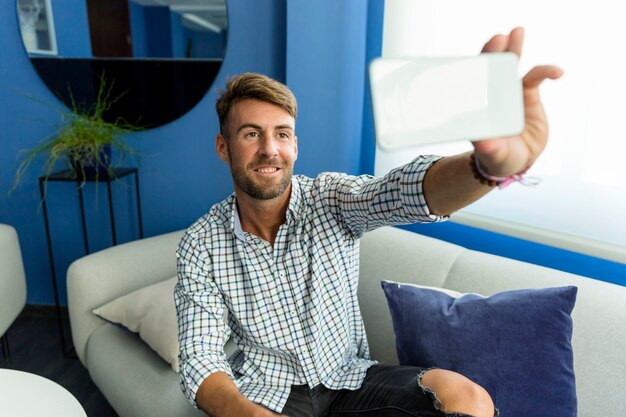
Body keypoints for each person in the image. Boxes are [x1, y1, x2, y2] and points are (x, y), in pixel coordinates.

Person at [174, 27, 562, 417]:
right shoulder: (201, 243)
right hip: (268, 396)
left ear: (295, 145)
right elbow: (201, 357)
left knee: (467, 399)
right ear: (223, 147)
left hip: (351, 381)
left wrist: (487, 169)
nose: (269, 149)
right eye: (251, 134)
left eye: (282, 134)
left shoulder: (329, 198)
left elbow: (400, 193)